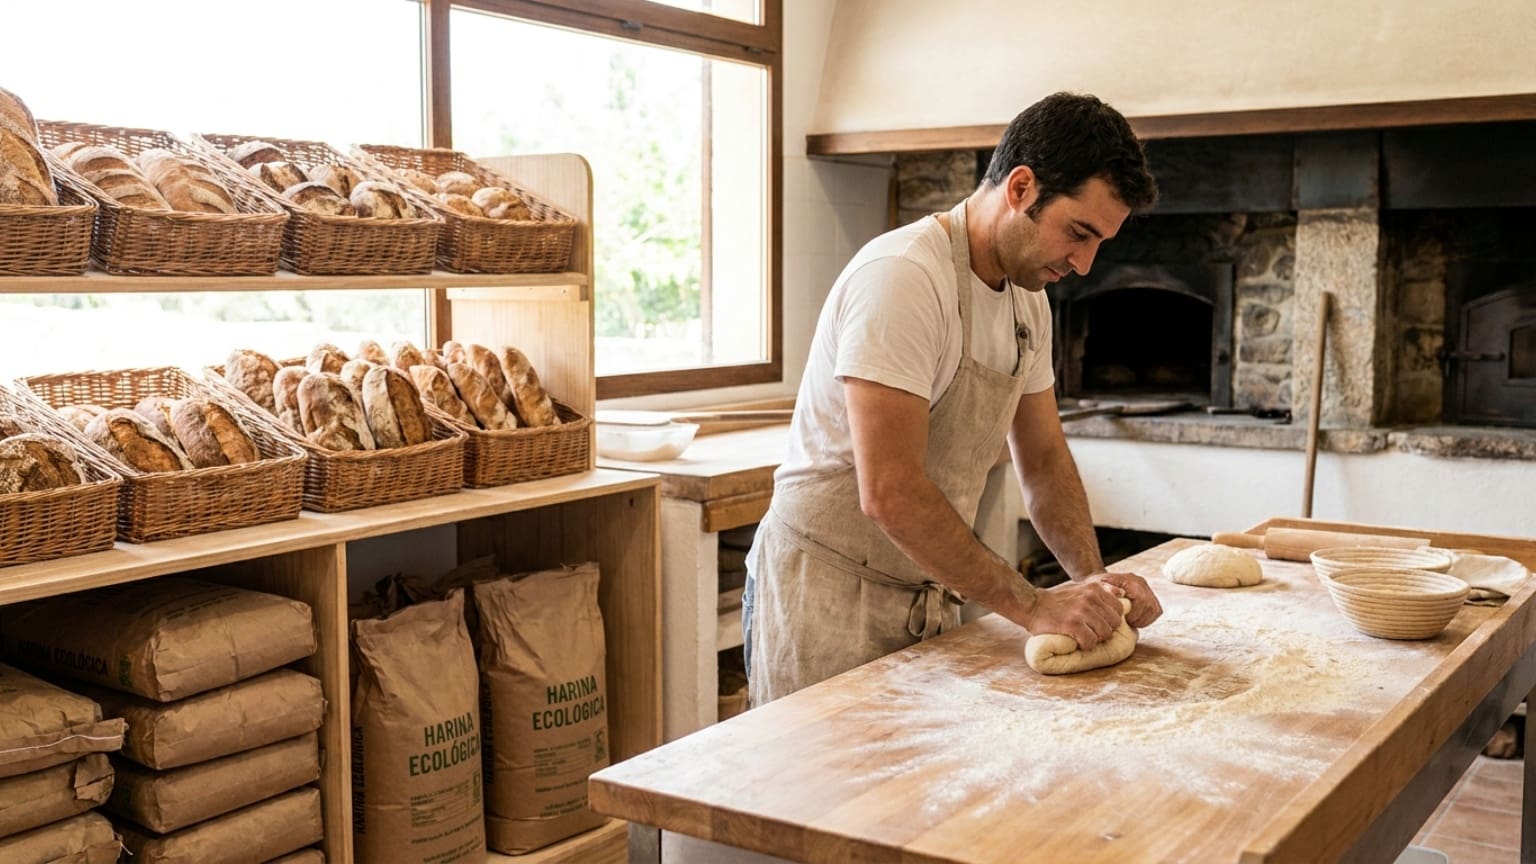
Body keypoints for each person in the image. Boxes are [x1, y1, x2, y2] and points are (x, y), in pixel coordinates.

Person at [743, 92, 1164, 705]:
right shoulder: (904, 278)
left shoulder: (1028, 302)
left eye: (1100, 242)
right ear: (1020, 187)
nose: (1084, 264)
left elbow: (1044, 459)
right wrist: (1033, 605)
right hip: (826, 598)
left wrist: (1094, 584)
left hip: (928, 591)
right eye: (1078, 233)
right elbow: (889, 490)